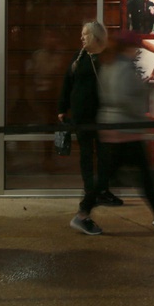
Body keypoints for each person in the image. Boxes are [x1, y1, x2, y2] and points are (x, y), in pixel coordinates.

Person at [70, 32, 154, 234]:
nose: (137, 50)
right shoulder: (121, 67)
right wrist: (142, 109)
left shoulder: (112, 64)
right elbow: (125, 98)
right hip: (123, 130)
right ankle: (83, 214)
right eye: (136, 47)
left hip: (120, 129)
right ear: (129, 48)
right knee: (109, 177)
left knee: (138, 174)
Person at [58, 21, 124, 214]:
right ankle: (90, 191)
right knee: (86, 154)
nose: (82, 38)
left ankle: (102, 190)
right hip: (82, 116)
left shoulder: (107, 58)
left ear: (96, 37)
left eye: (85, 34)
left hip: (103, 116)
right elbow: (67, 83)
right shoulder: (79, 58)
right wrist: (62, 108)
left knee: (105, 155)